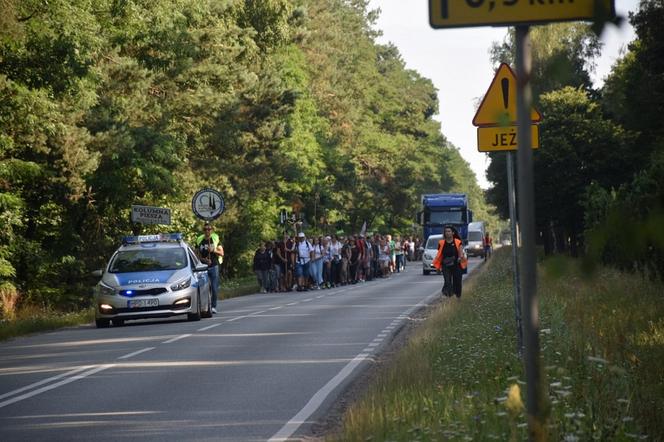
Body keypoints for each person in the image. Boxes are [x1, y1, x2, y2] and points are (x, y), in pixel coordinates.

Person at [433, 225, 468, 298]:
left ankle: (458, 297)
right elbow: (439, 255)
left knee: (457, 282)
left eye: (449, 231)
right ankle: (449, 297)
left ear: (453, 233)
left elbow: (461, 252)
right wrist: (437, 267)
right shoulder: (441, 243)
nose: (447, 233)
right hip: (446, 265)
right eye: (446, 231)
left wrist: (460, 257)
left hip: (456, 265)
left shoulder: (458, 242)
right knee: (447, 282)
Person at [196, 223, 224, 313]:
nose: (207, 231)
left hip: (214, 266)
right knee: (204, 288)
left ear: (212, 230)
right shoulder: (200, 240)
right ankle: (205, 306)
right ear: (203, 230)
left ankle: (213, 306)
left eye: (209, 229)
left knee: (214, 288)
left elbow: (221, 253)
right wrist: (204, 260)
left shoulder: (215, 239)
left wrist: (213, 250)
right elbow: (196, 255)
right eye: (205, 229)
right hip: (203, 268)